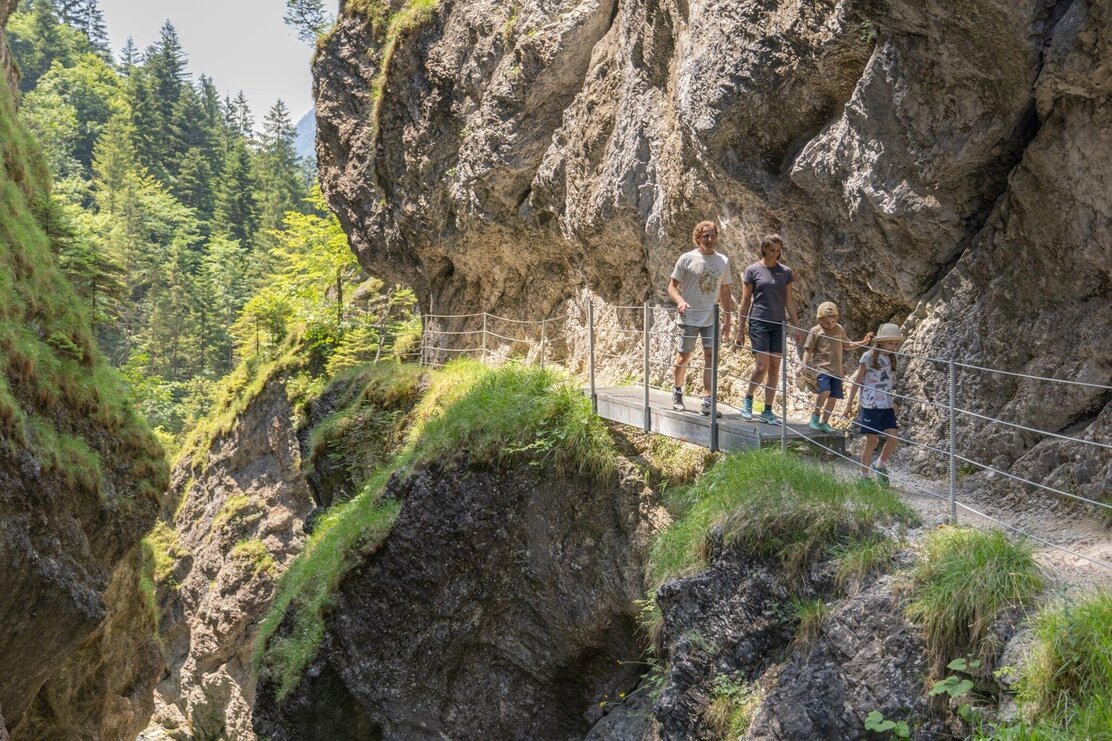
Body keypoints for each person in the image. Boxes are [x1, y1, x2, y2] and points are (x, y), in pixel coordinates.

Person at [734, 234, 803, 424]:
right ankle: (748, 399)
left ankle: (768, 410)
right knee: (762, 365)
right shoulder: (752, 270)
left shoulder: (785, 272)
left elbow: (789, 301)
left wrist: (797, 327)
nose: (776, 254)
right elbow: (745, 301)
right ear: (764, 249)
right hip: (758, 321)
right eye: (772, 250)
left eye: (779, 250)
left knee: (775, 366)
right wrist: (740, 329)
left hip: (778, 323)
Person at [668, 221, 733, 415]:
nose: (710, 239)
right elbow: (671, 287)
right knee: (684, 356)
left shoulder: (723, 261)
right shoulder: (686, 259)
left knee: (711, 357)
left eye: (713, 235)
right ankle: (677, 392)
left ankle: (707, 401)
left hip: (711, 317)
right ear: (698, 237)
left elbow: (725, 290)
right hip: (689, 316)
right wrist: (680, 301)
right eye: (705, 236)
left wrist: (728, 319)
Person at [799, 302, 874, 433]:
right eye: (827, 322)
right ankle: (815, 417)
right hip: (822, 368)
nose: (830, 325)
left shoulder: (839, 329)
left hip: (837, 371)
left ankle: (824, 422)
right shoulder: (815, 331)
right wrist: (803, 365)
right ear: (820, 320)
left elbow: (848, 345)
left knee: (833, 397)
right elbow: (808, 349)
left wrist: (863, 342)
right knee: (825, 391)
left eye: (833, 321)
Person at [845, 323, 905, 485]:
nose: (893, 346)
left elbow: (888, 382)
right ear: (880, 342)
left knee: (892, 438)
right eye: (890, 343)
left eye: (895, 343)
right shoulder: (868, 357)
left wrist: (891, 401)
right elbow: (858, 379)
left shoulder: (892, 358)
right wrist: (849, 403)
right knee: (872, 440)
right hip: (870, 406)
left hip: (886, 406)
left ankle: (880, 464)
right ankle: (864, 476)